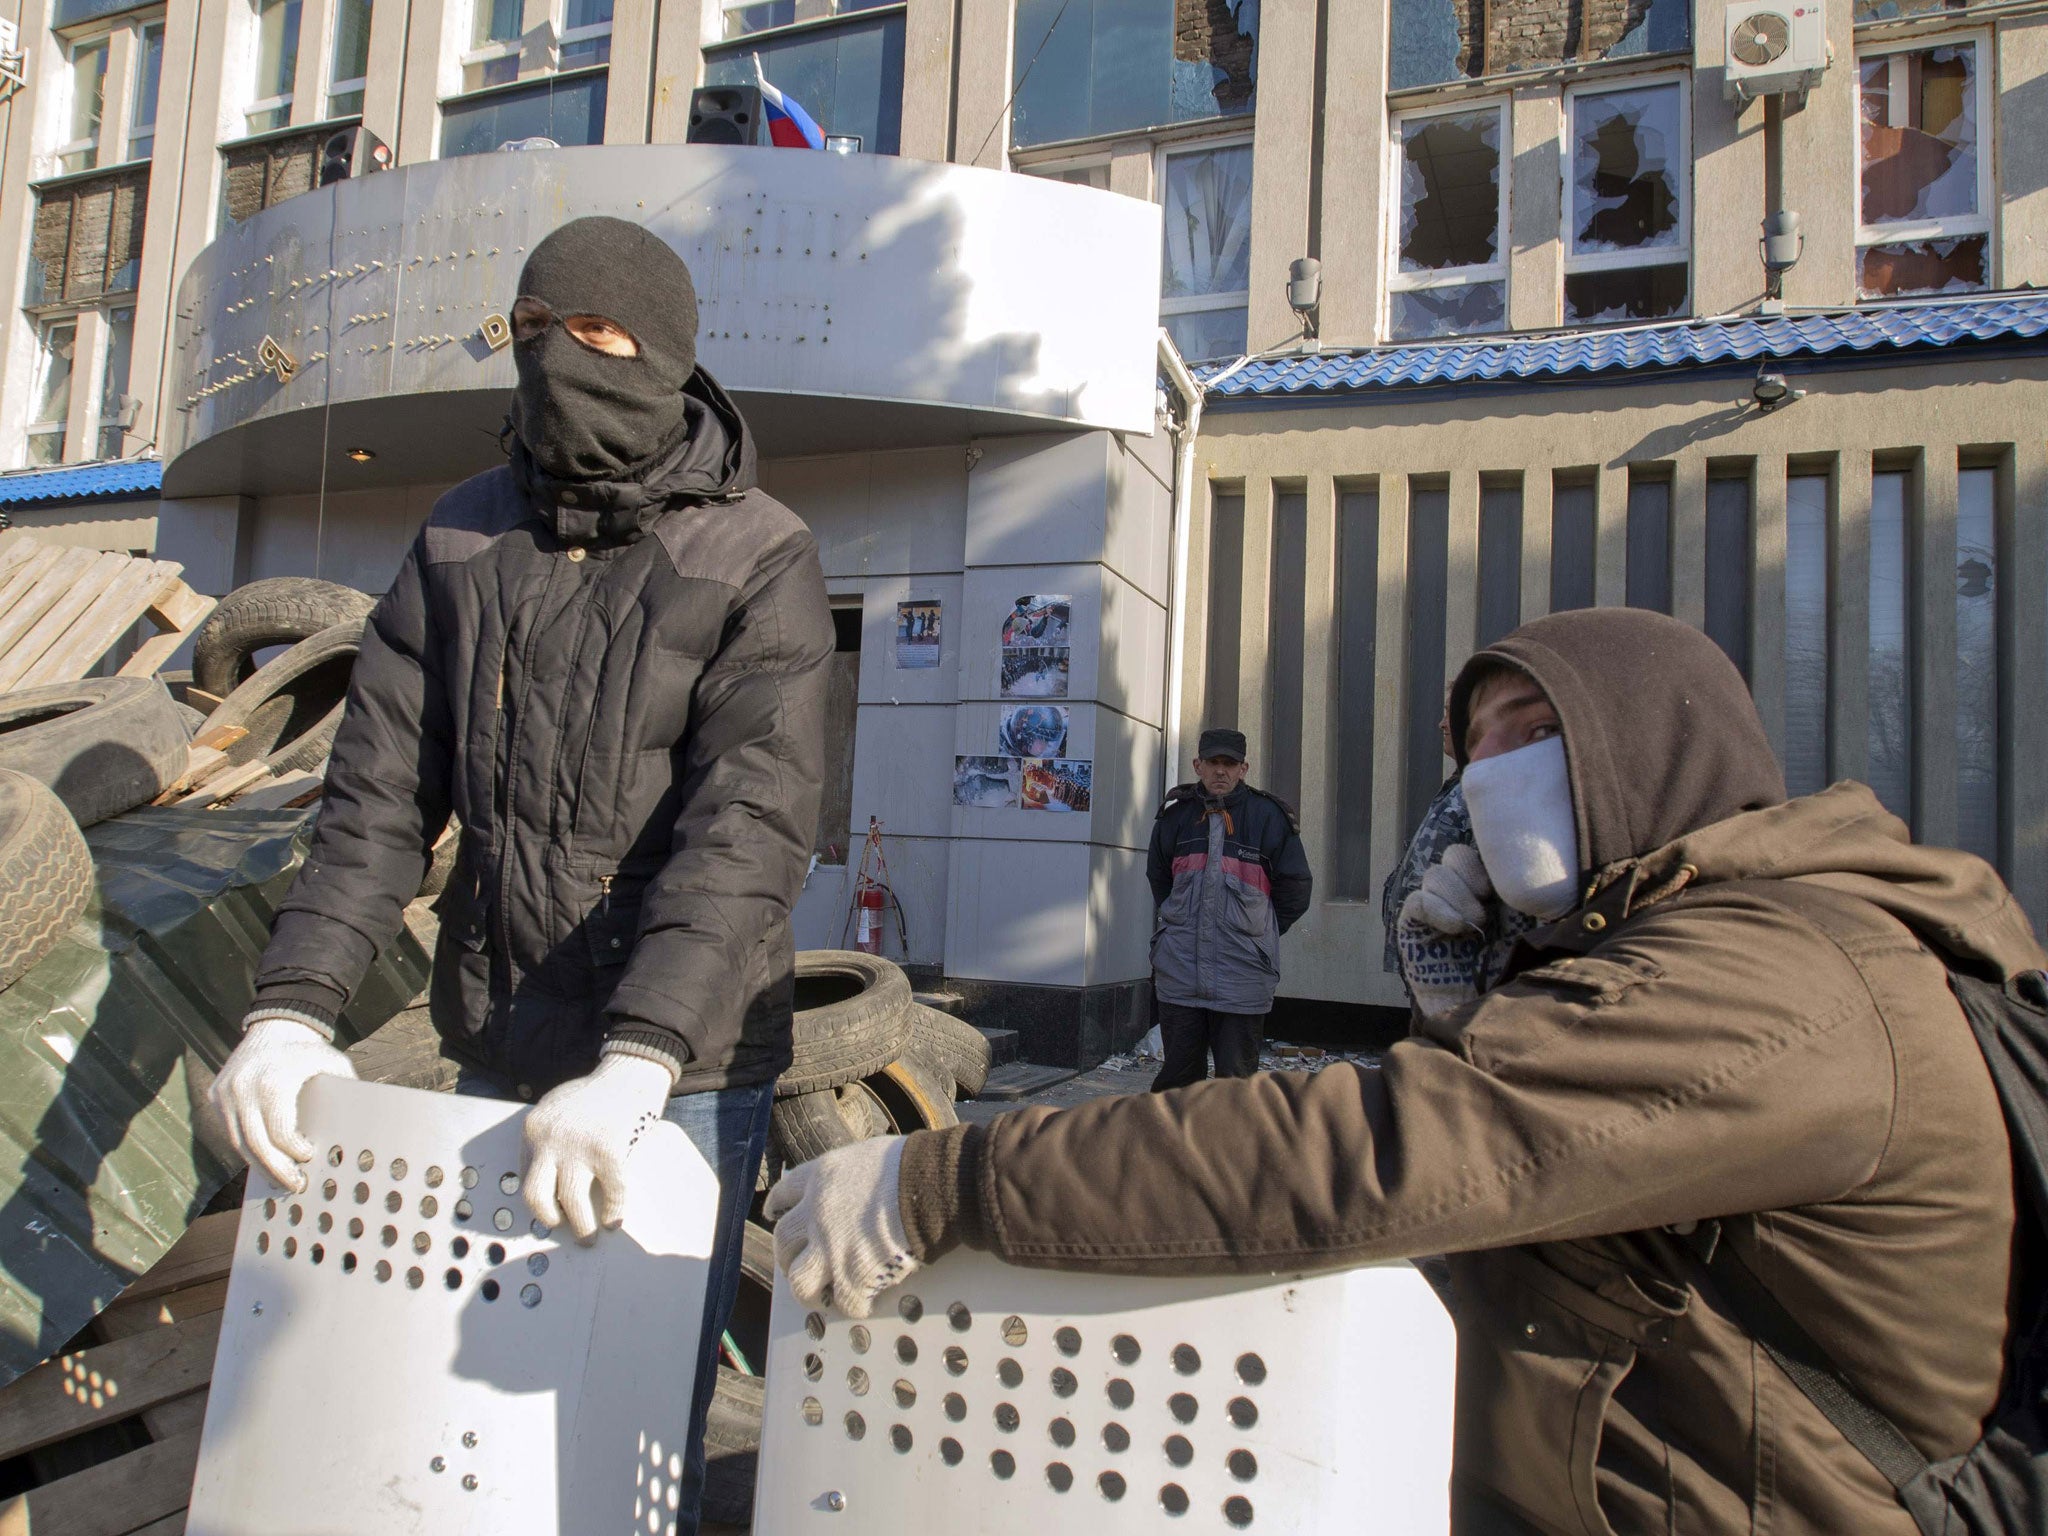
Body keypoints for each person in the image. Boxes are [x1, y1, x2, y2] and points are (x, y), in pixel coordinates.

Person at [767, 608, 2035, 1536]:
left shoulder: (1776, 982)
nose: (1494, 775)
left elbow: (1389, 1149)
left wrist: (945, 1183)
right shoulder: (1691, 950)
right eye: (1477, 748)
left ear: (1653, 748)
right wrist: (1469, 996)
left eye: (1536, 735)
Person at [208, 216, 832, 1534]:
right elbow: (375, 794)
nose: (559, 363)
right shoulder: (458, 538)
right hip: (501, 1040)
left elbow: (750, 825)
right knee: (488, 1406)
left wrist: (643, 1057)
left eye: (596, 338)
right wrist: (290, 1009)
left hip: (689, 1074)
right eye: (534, 334)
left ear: (662, 356)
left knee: (634, 1402)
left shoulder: (754, 553)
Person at [1143, 727, 1312, 1091]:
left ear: (1244, 768)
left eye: (1230, 764)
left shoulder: (1268, 818)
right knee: (1176, 1085)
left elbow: (1296, 889)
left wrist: (1261, 933)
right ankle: (1170, 1148)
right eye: (1213, 762)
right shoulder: (1175, 817)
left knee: (1235, 1089)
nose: (1221, 771)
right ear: (1197, 765)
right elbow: (1160, 881)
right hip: (1181, 975)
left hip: (1242, 979)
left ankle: (1228, 1150)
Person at [1383, 688, 1535, 1019]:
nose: (1440, 724)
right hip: (1434, 974)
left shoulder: (1493, 791)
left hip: (1465, 986)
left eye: (1450, 713)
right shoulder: (1461, 785)